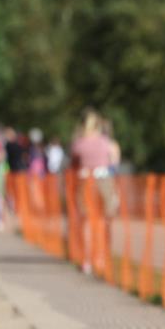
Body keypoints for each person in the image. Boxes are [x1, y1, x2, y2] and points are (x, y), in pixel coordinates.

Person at [70, 110, 120, 274]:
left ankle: (86, 261)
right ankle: (101, 258)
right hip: (104, 181)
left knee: (86, 221)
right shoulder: (107, 143)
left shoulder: (79, 143)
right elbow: (114, 162)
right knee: (104, 220)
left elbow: (73, 163)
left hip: (85, 182)